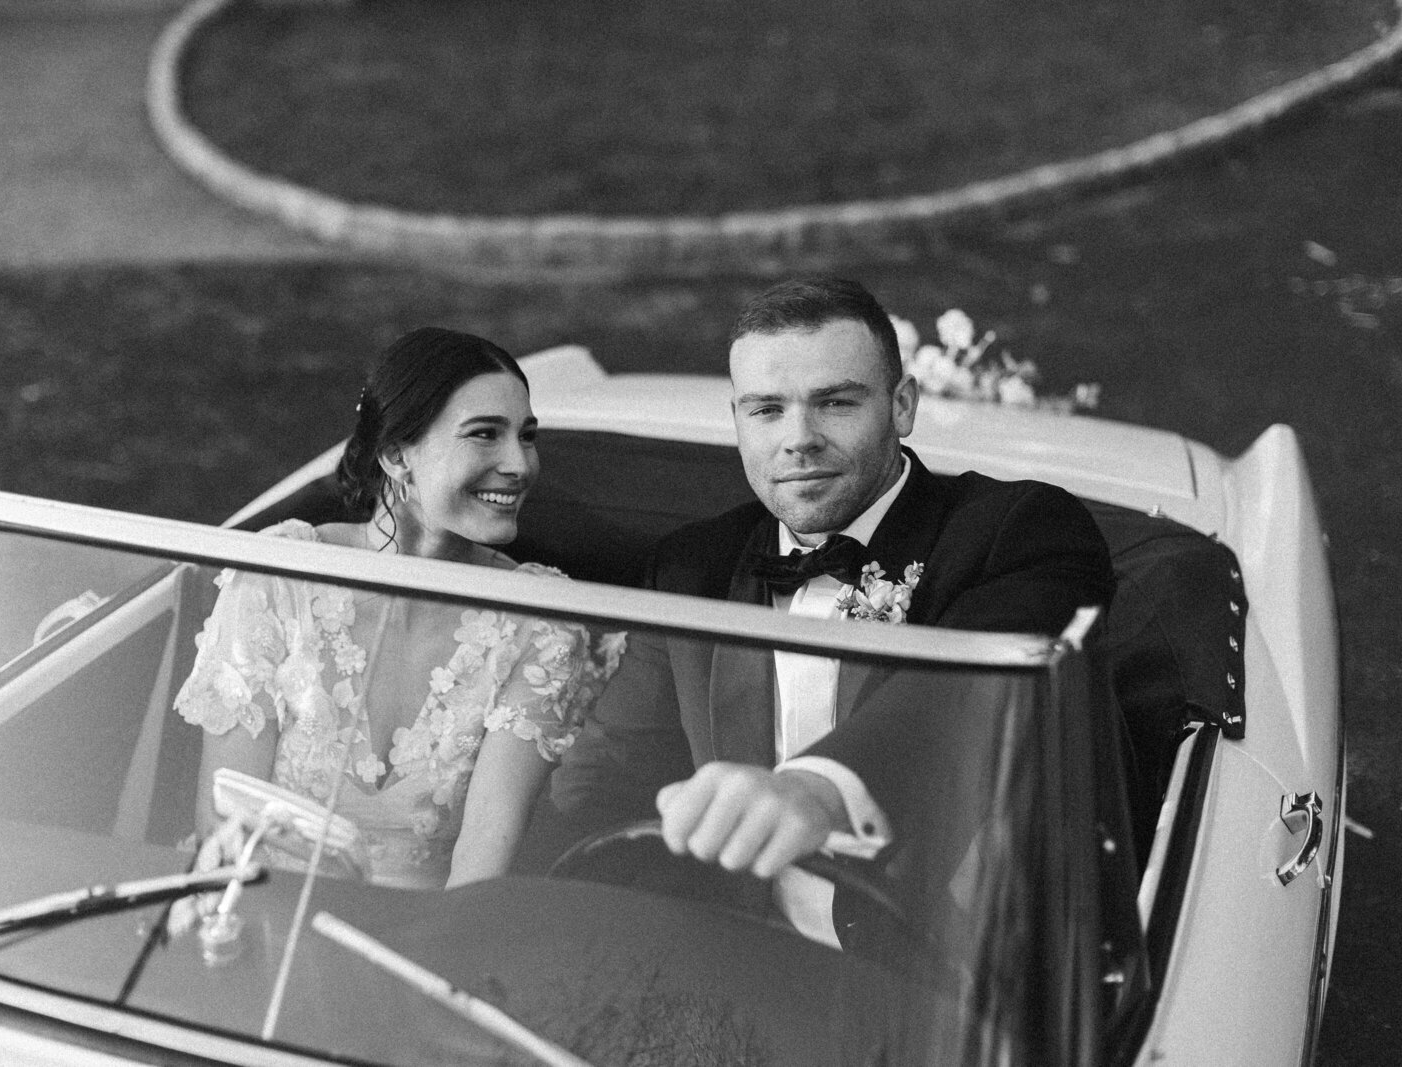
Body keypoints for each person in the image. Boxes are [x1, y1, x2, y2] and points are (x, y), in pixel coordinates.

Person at [550, 276, 1115, 948]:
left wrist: (818, 793)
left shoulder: (1017, 530)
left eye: (836, 403)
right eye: (766, 411)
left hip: (960, 974)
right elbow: (604, 785)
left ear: (902, 405)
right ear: (736, 420)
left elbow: (974, 694)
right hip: (740, 965)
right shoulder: (691, 567)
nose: (799, 439)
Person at [174, 327, 619, 890]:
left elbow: (482, 865)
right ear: (394, 455)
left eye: (527, 437)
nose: (520, 464)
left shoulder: (540, 622)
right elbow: (225, 821)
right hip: (263, 918)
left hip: (429, 943)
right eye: (486, 434)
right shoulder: (279, 577)